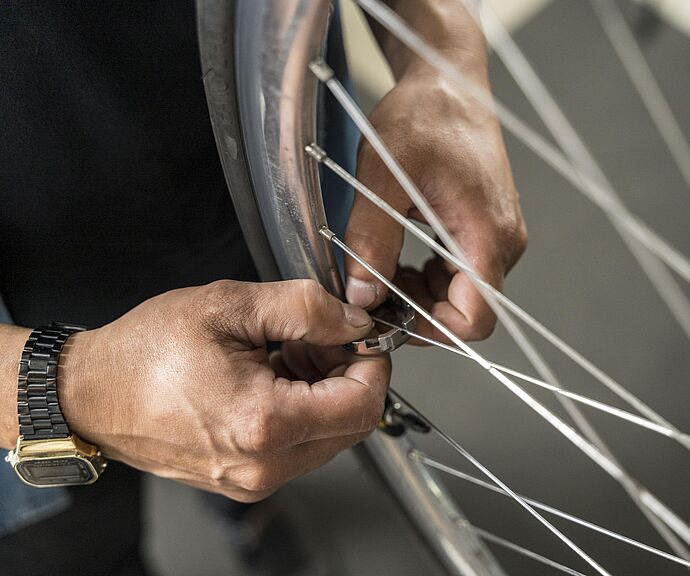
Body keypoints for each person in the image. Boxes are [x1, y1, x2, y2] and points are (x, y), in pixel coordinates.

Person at [0, 1, 526, 574]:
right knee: (83, 556)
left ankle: (246, 506)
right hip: (20, 355)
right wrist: (68, 389)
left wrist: (445, 65)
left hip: (279, 183)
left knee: (263, 417)